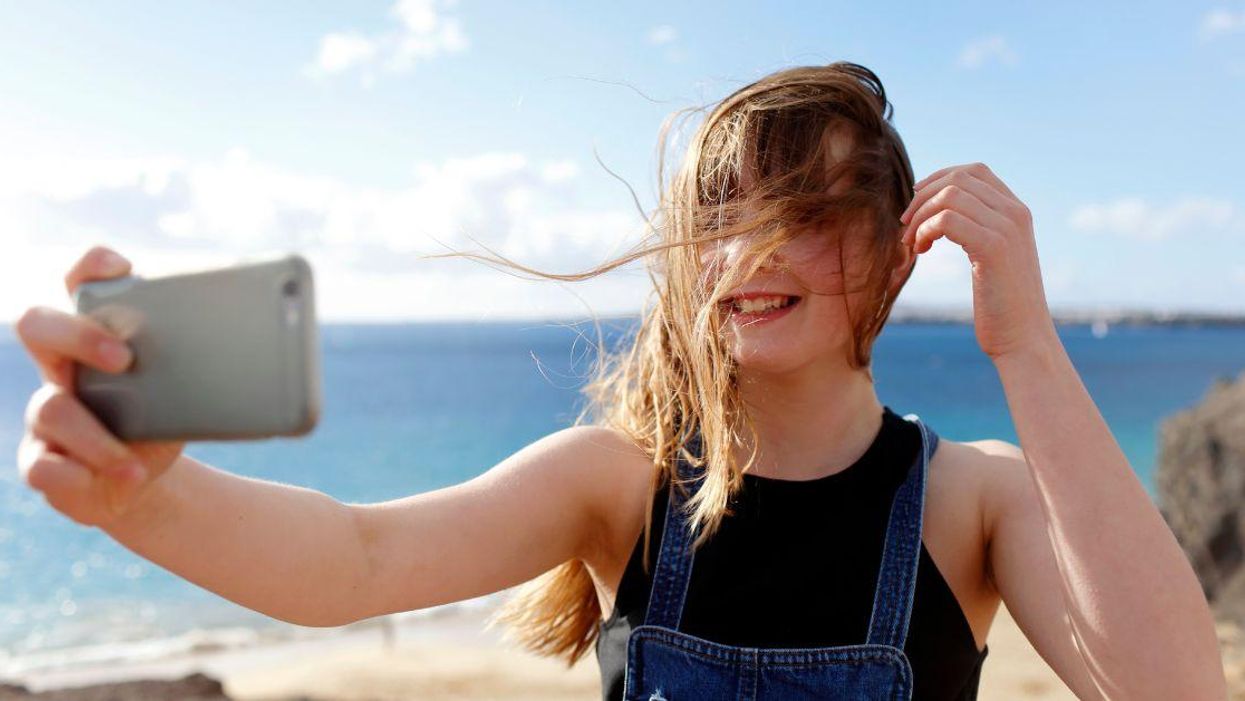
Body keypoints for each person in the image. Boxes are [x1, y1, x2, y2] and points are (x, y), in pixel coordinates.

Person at [14, 61, 1226, 700]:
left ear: (894, 243)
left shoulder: (974, 497)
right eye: (720, 214)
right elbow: (354, 562)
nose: (752, 248)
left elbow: (1173, 691)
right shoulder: (623, 479)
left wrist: (1025, 344)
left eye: (804, 209)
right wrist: (143, 500)